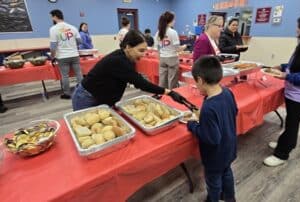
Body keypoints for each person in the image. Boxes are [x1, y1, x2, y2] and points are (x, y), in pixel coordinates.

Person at [72, 30, 186, 111]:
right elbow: (141, 83)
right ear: (128, 47)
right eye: (140, 50)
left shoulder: (127, 58)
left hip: (101, 97)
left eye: (145, 51)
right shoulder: (119, 60)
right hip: (86, 97)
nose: (143, 55)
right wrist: (169, 92)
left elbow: (135, 80)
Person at [263, 10, 300, 167]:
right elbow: (298, 64)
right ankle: (284, 141)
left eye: (299, 26)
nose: (296, 29)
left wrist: (287, 76)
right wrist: (282, 66)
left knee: (293, 123)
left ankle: (282, 153)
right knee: (290, 121)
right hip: (295, 92)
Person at [187, 56, 238, 202]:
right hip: (230, 147)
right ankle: (229, 198)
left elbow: (211, 138)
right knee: (227, 172)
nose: (196, 86)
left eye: (195, 82)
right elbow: (234, 112)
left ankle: (213, 198)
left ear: (200, 80)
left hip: (215, 156)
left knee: (213, 181)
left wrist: (193, 125)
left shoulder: (209, 107)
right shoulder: (227, 92)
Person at [49, 9, 83, 99]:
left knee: (65, 76)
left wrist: (52, 57)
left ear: (55, 16)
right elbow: (80, 42)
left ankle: (67, 94)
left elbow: (53, 46)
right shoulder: (73, 27)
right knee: (79, 73)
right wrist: (71, 43)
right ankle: (83, 91)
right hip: (74, 55)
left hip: (62, 56)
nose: (52, 18)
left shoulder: (53, 29)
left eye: (52, 17)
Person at [154, 11, 186, 89]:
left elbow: (156, 48)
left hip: (162, 58)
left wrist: (160, 56)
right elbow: (177, 48)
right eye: (173, 19)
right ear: (169, 21)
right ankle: (171, 97)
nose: (174, 21)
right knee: (172, 81)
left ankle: (162, 95)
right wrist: (184, 46)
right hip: (172, 58)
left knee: (162, 80)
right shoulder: (173, 32)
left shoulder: (158, 32)